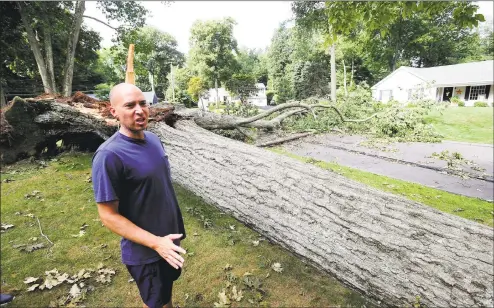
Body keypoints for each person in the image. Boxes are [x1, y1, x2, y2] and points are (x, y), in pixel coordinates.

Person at [92, 83, 187, 308]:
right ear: (113, 111)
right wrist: (156, 244)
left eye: (142, 103)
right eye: (129, 105)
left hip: (168, 242)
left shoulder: (153, 140)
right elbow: (108, 216)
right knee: (156, 302)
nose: (139, 110)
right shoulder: (109, 156)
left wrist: (167, 241)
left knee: (165, 297)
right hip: (147, 253)